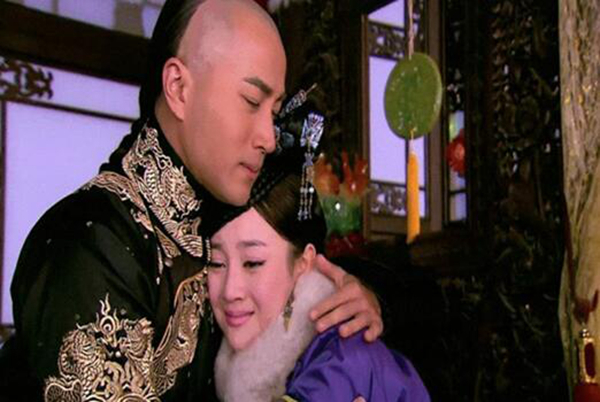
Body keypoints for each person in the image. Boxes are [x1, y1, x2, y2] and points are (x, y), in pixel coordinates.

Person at [0, 1, 382, 401]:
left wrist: (363, 300)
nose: (269, 138)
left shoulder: (217, 214)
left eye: (273, 112)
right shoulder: (88, 244)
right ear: (179, 88)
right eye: (252, 101)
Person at [206, 111, 430, 401]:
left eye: (253, 262)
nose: (230, 291)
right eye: (216, 262)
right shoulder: (205, 334)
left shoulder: (344, 358)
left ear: (304, 262)